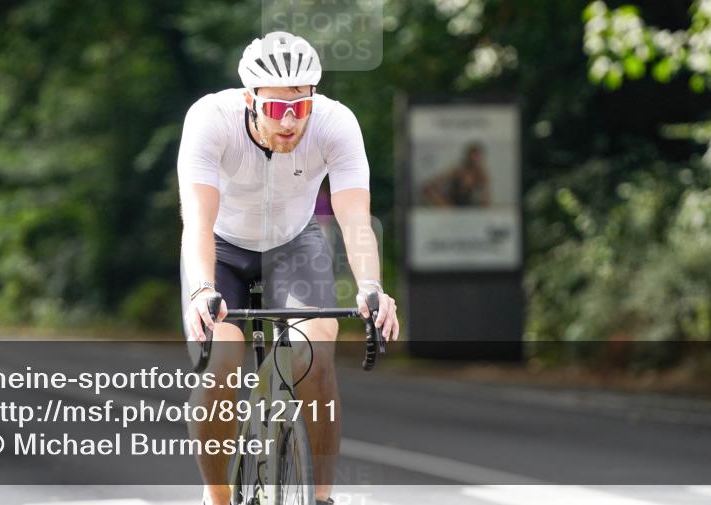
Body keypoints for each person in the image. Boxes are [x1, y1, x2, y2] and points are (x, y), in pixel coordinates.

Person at [177, 31, 400, 505]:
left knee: (317, 353)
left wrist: (372, 286)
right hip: (220, 249)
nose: (290, 122)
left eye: (301, 108)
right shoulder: (210, 120)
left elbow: (356, 217)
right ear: (249, 100)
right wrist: (200, 290)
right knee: (222, 362)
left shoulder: (336, 124)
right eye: (277, 109)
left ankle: (320, 498)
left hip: (294, 245)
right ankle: (217, 496)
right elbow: (197, 219)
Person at [420, 141, 492, 207]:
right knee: (428, 190)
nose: (474, 159)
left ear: (480, 158)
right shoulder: (458, 171)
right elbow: (430, 185)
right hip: (452, 205)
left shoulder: (481, 174)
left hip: (468, 206)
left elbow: (486, 198)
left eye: (477, 157)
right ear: (467, 156)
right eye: (472, 156)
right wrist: (443, 203)